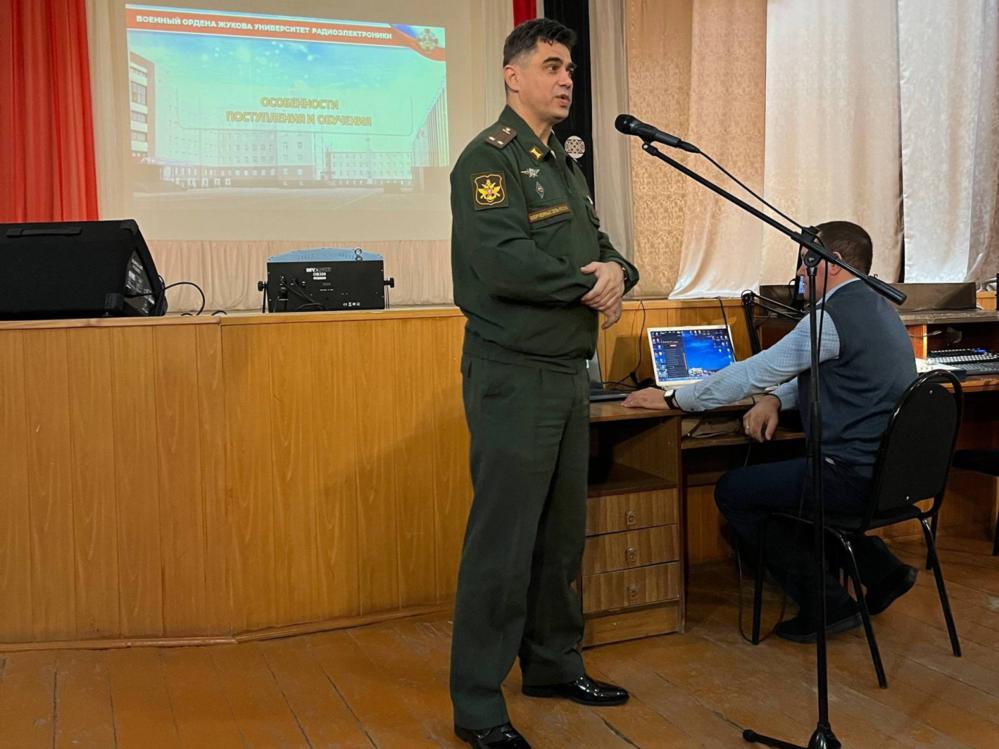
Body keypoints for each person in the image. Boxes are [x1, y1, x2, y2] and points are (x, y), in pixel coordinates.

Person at [449, 18, 639, 749]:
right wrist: (590, 286)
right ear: (513, 75)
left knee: (561, 537)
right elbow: (503, 261)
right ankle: (477, 703)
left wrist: (618, 271)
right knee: (503, 545)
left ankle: (554, 664)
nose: (566, 80)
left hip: (566, 372)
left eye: (570, 69)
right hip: (513, 372)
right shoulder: (488, 160)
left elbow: (600, 247)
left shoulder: (562, 160)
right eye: (552, 66)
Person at [623, 221, 919, 642]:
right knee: (785, 485)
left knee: (735, 492)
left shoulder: (830, 318)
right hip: (888, 475)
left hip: (850, 476)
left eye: (805, 262)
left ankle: (827, 603)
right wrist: (776, 399)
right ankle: (879, 567)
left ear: (832, 263)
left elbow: (755, 372)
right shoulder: (879, 308)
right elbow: (826, 373)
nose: (798, 273)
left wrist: (672, 399)